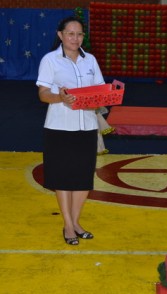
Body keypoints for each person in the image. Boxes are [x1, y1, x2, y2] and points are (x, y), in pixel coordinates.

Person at [36, 16, 105, 245]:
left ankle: (76, 222)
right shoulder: (50, 60)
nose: (75, 38)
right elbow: (43, 94)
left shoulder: (91, 60)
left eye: (79, 34)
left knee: (83, 178)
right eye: (70, 33)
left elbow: (99, 93)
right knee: (63, 178)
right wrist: (61, 98)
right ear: (60, 35)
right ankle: (67, 225)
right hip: (59, 127)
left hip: (87, 126)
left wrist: (101, 99)